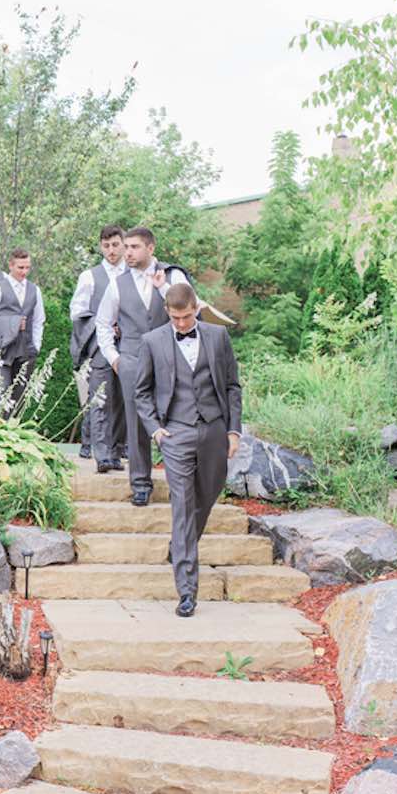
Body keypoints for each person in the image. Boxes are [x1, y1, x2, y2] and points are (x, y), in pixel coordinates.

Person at [133, 283, 242, 617]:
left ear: (197, 308)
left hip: (213, 431)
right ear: (167, 311)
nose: (181, 323)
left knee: (207, 496)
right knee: (182, 505)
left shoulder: (218, 337)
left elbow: (232, 385)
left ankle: (179, 545)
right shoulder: (152, 341)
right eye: (175, 318)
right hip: (175, 434)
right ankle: (187, 592)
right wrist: (155, 430)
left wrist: (233, 430)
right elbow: (141, 392)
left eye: (186, 316)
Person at [93, 226, 195, 504]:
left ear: (151, 248)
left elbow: (187, 308)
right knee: (136, 423)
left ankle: (181, 483)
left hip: (170, 360)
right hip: (131, 361)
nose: (127, 252)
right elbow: (102, 323)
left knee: (176, 419)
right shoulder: (117, 283)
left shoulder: (173, 275)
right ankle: (140, 484)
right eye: (126, 247)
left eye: (134, 247)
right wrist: (115, 358)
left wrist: (162, 287)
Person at [71, 225, 128, 472]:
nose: (111, 250)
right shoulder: (89, 276)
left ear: (124, 244)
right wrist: (104, 323)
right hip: (100, 348)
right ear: (100, 247)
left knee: (123, 403)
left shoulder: (134, 273)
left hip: (129, 347)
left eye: (115, 244)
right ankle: (102, 455)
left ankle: (116, 453)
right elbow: (77, 311)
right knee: (100, 400)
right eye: (106, 246)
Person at [0, 248, 45, 408]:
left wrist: (36, 346)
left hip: (25, 352)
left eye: (27, 267)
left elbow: (38, 321)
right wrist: (12, 323)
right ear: (11, 265)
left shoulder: (35, 290)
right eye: (20, 268)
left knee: (19, 402)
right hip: (0, 353)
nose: (24, 272)